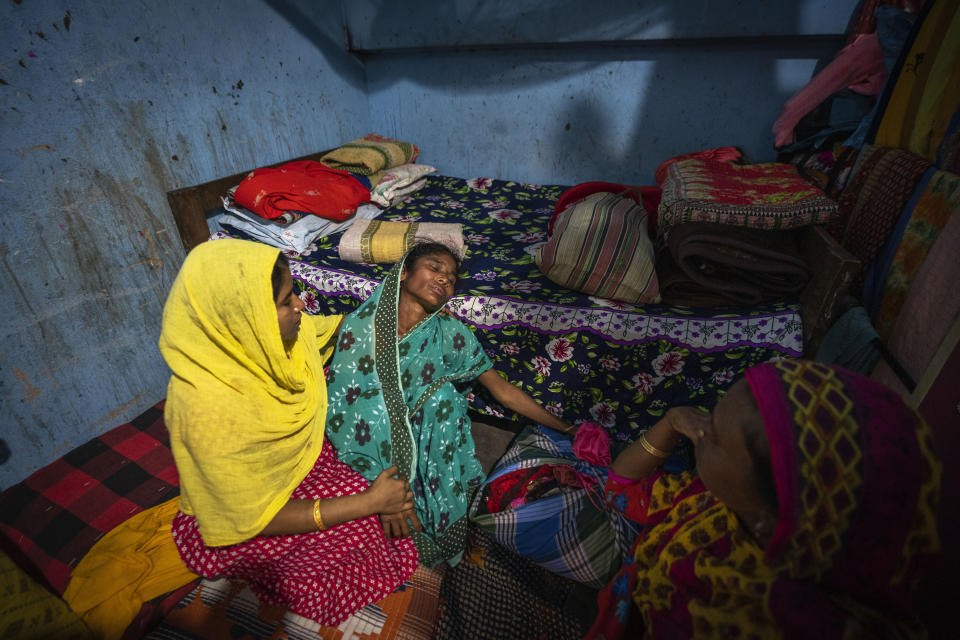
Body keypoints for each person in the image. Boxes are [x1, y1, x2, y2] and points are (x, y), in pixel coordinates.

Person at [158, 238, 419, 627]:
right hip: (250, 516)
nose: (300, 305)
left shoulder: (276, 343)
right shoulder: (205, 412)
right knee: (365, 527)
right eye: (285, 301)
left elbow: (336, 329)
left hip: (301, 470)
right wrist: (367, 502)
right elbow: (255, 518)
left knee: (390, 490)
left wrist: (397, 316)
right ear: (246, 318)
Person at [587, 358, 942, 639]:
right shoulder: (725, 505)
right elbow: (624, 488)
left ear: (771, 521)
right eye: (711, 416)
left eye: (716, 439)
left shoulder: (732, 616)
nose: (699, 429)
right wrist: (671, 421)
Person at [324, 241, 574, 567]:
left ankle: (426, 502)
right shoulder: (359, 326)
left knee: (441, 398)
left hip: (428, 443)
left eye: (452, 278)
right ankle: (386, 495)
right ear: (404, 273)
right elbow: (345, 407)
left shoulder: (452, 336)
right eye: (435, 267)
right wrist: (389, 490)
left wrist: (569, 429)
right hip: (367, 448)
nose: (444, 279)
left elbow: (503, 391)